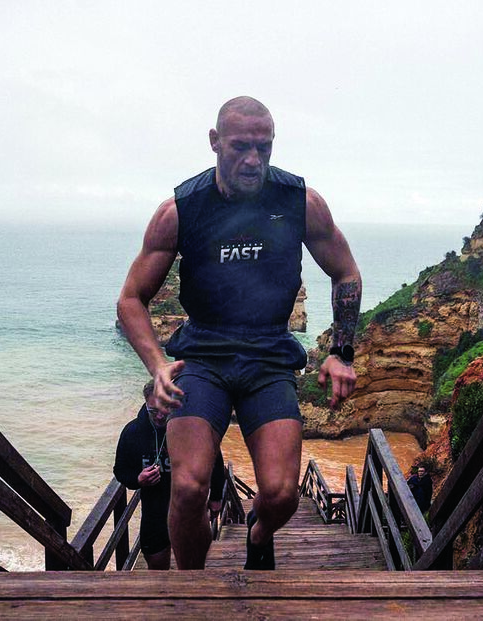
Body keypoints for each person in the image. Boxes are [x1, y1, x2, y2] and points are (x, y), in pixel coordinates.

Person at [117, 96, 362, 570]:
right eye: (241, 147)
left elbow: (345, 272)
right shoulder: (181, 210)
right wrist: (157, 365)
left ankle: (258, 532)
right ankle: (193, 590)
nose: (253, 160)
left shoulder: (300, 202)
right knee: (187, 488)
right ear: (214, 143)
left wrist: (342, 352)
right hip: (202, 356)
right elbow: (131, 299)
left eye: (264, 148)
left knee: (281, 493)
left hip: (269, 354)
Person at [113, 380, 226, 570]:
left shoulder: (191, 429)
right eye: (153, 410)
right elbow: (121, 471)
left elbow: (215, 461)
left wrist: (216, 498)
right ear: (145, 404)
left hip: (190, 510)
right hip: (154, 513)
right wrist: (138, 479)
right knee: (157, 570)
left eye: (165, 409)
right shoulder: (132, 432)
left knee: (193, 568)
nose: (159, 416)